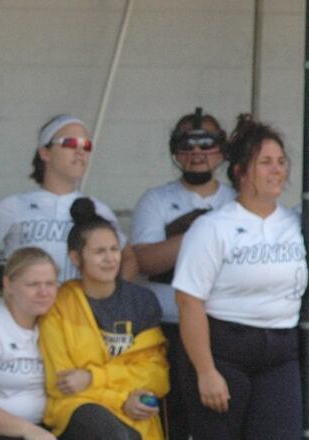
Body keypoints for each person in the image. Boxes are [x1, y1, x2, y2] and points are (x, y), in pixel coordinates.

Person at [173, 114, 307, 439]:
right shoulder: (213, 227)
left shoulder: (296, 223)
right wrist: (206, 372)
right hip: (225, 350)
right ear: (240, 171)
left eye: (280, 162)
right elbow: (189, 302)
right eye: (265, 163)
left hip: (280, 351)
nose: (278, 170)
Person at [130, 107, 235, 440]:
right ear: (176, 151)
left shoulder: (236, 201)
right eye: (187, 145)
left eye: (206, 145)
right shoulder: (156, 199)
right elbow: (147, 259)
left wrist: (179, 242)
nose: (197, 154)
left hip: (220, 324)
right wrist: (202, 234)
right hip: (167, 325)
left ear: (221, 150)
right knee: (172, 417)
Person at [39, 197, 169, 440]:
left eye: (113, 249)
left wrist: (93, 377)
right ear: (76, 258)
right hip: (76, 408)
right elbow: (63, 382)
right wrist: (121, 399)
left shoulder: (141, 301)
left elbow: (156, 373)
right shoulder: (58, 304)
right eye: (99, 252)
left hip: (133, 408)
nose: (110, 259)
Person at [0, 114, 139, 301]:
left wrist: (110, 299)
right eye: (70, 143)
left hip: (78, 319)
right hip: (26, 317)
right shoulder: (14, 206)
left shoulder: (99, 209)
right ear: (45, 153)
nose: (80, 151)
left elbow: (129, 259)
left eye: (86, 145)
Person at [0, 247, 58, 440]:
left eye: (50, 283)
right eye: (33, 284)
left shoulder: (58, 324)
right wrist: (28, 431)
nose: (43, 292)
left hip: (49, 426)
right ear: (8, 283)